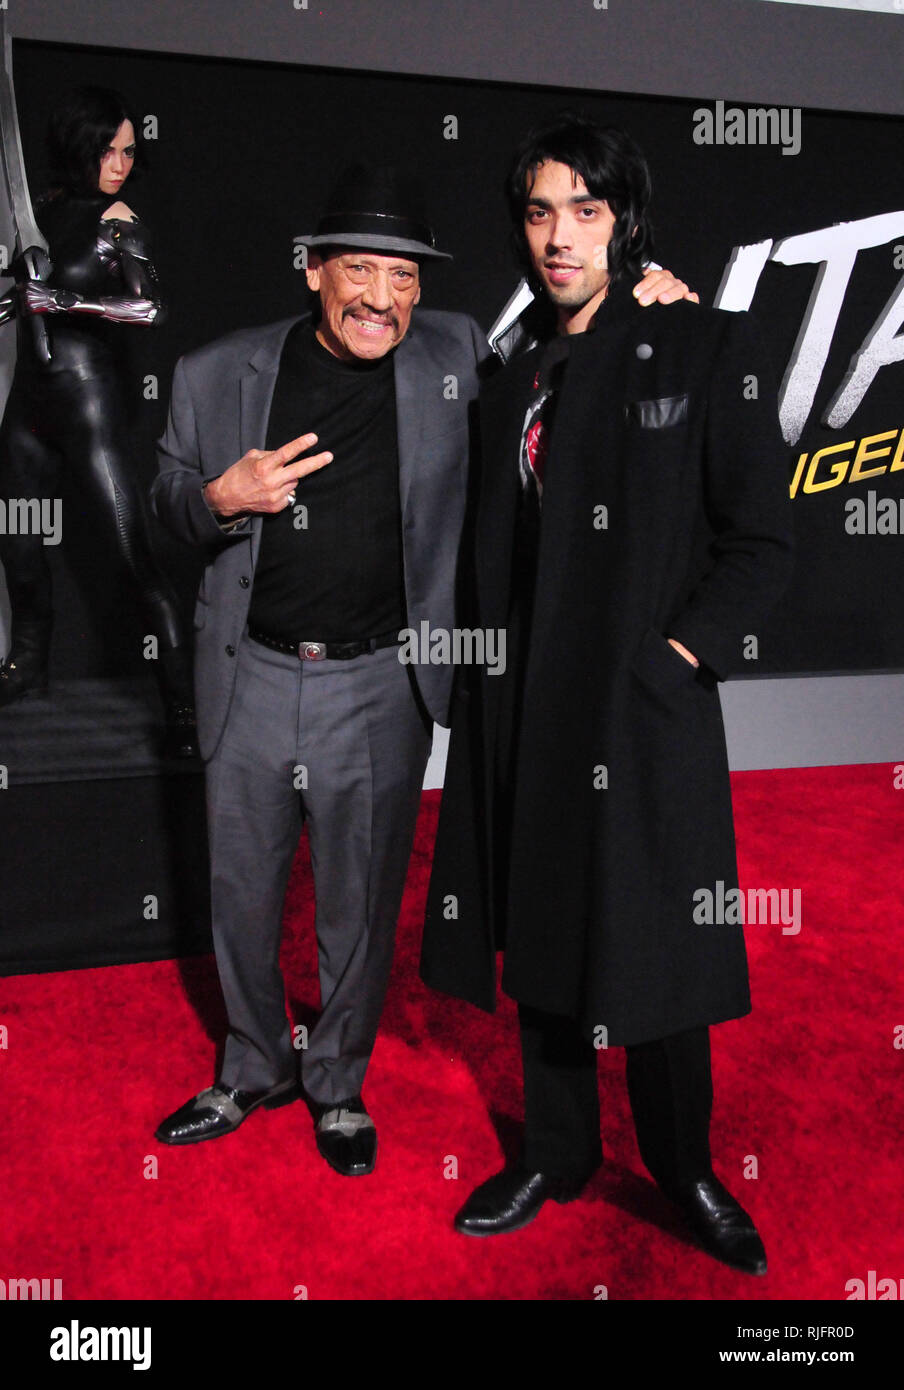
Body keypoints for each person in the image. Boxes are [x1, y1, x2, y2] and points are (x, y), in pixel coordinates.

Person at [150, 162, 691, 1176]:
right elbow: (160, 509)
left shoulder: (457, 357)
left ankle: (337, 1085)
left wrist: (648, 292)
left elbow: (574, 342)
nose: (384, 298)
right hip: (253, 674)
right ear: (314, 272)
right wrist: (222, 495)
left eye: (404, 277)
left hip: (380, 684)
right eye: (361, 270)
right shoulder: (215, 374)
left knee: (361, 900)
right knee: (241, 895)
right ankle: (253, 1063)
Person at [421, 112, 794, 1274]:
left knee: (659, 940)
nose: (557, 235)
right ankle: (556, 1147)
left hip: (640, 703)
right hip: (528, 697)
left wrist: (677, 658)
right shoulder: (510, 371)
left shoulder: (698, 344)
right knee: (542, 926)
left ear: (624, 220)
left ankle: (683, 1165)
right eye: (538, 211)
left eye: (583, 209)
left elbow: (765, 541)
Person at [0, 87, 196, 756]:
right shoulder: (42, 213)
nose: (119, 163)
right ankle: (26, 669)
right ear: (80, 146)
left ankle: (181, 708)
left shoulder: (119, 218)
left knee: (131, 556)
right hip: (29, 406)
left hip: (87, 401)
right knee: (19, 548)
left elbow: (150, 310)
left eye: (128, 152)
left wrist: (63, 298)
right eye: (109, 150)